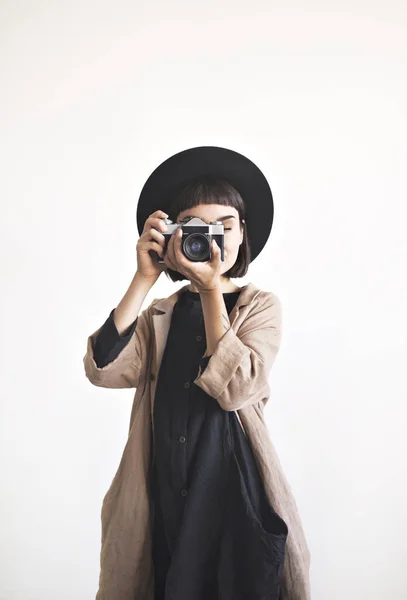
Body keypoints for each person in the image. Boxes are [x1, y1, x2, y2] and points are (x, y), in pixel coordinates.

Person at [83, 147, 312, 600]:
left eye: (223, 227)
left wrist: (210, 290)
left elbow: (237, 390)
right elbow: (102, 369)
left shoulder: (259, 306)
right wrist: (143, 278)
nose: (210, 240)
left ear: (242, 233)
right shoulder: (160, 314)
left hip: (232, 490)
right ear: (172, 237)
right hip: (162, 486)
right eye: (194, 228)